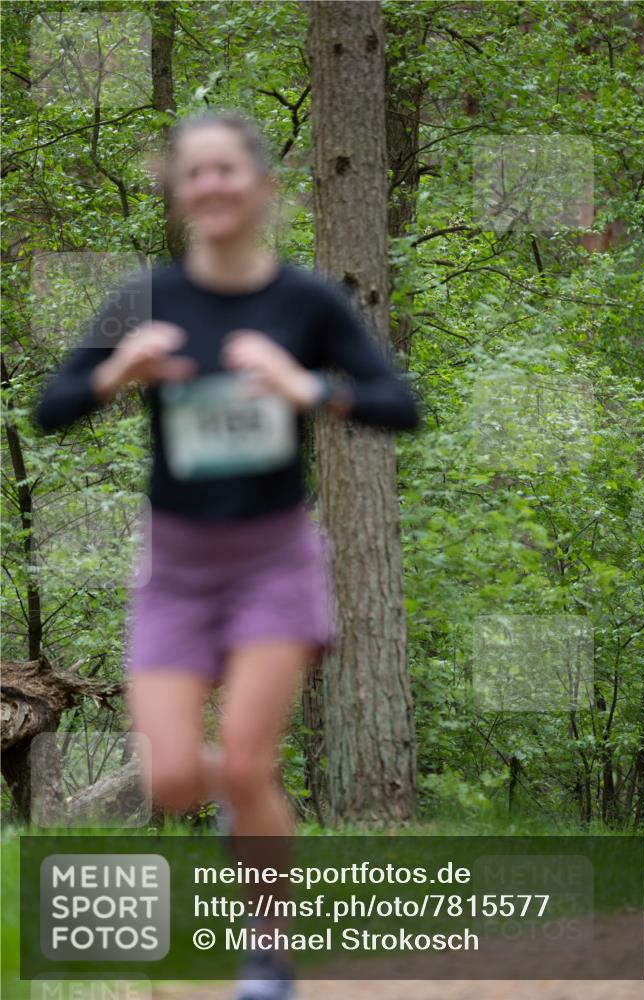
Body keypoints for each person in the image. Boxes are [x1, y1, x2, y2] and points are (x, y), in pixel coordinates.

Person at [33, 109, 420, 999]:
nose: (210, 185)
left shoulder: (305, 302)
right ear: (177, 192)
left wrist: (304, 385)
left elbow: (398, 404)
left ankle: (266, 953)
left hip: (273, 560)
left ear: (262, 186)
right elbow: (50, 410)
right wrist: (116, 372)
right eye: (193, 172)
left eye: (226, 170)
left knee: (245, 760)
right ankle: (248, 807)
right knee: (172, 779)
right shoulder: (146, 298)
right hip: (174, 568)